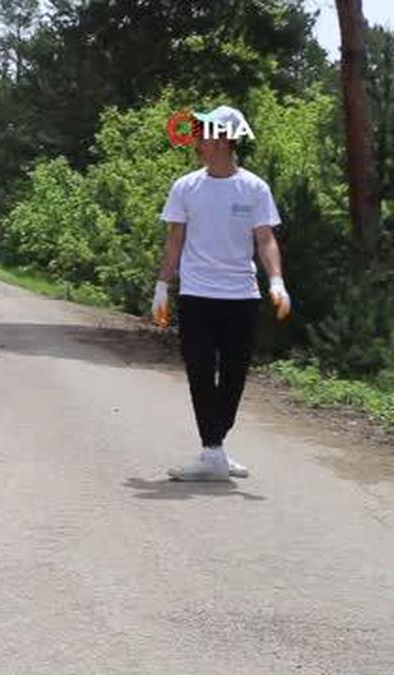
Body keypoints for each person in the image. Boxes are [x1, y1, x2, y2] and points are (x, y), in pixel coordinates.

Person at [152, 105, 290, 481]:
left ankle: (215, 449)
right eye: (198, 133)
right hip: (196, 295)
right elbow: (174, 241)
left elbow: (265, 239)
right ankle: (213, 452)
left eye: (206, 133)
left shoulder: (254, 188)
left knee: (233, 378)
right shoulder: (186, 187)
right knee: (199, 372)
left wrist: (276, 280)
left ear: (227, 139)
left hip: (241, 296)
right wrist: (162, 287)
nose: (198, 140)